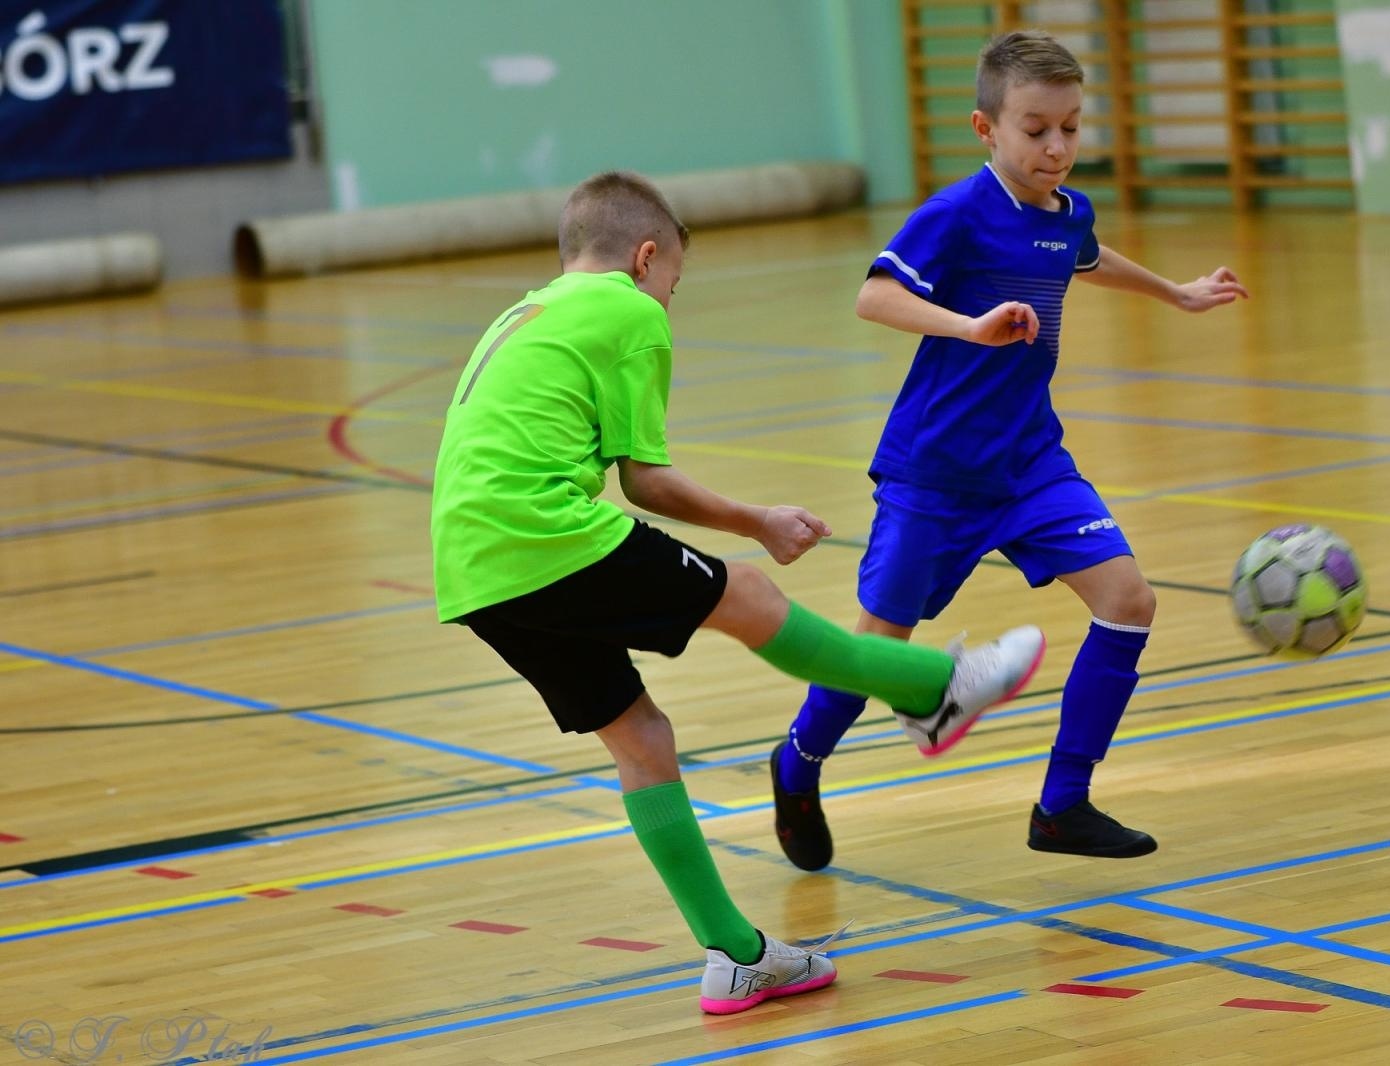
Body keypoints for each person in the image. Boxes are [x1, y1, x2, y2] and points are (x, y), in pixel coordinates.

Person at [430, 170, 1046, 1014]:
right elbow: (645, 482)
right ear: (647, 258)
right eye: (675, 283)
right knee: (748, 594)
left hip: (470, 571)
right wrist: (755, 519)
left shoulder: (526, 310)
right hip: (540, 534)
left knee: (642, 739)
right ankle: (933, 691)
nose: (670, 300)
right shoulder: (629, 310)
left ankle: (737, 955)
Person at [770, 30, 1249, 873]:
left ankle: (1063, 805)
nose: (1057, 146)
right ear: (986, 128)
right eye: (1036, 129)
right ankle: (798, 764)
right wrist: (969, 326)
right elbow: (873, 296)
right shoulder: (955, 213)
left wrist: (1176, 292)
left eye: (1070, 126)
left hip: (1031, 462)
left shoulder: (1069, 212)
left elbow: (1086, 255)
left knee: (1129, 601)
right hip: (936, 471)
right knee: (882, 640)